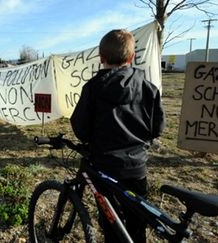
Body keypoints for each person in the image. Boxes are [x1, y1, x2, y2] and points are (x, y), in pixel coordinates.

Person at [70, 29, 165, 243]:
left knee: (112, 224)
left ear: (101, 58)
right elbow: (158, 128)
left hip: (104, 168)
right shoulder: (148, 88)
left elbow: (80, 128)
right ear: (132, 58)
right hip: (137, 167)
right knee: (137, 221)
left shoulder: (93, 88)